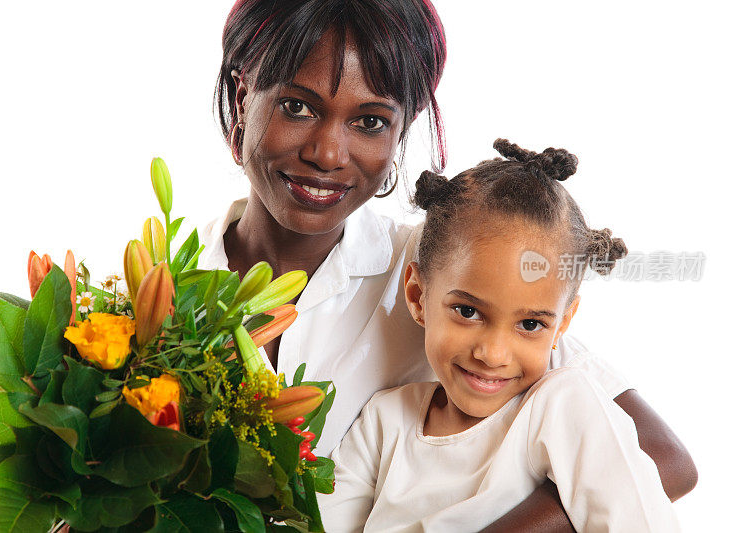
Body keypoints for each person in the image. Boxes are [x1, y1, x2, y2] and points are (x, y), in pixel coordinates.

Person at [200, 0, 696, 529]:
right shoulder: (161, 295)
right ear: (242, 97)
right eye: (297, 107)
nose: (328, 153)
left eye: (370, 121)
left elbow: (663, 460)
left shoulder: (443, 269)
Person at [318, 140, 680, 532]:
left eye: (530, 325)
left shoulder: (563, 407)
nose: (492, 354)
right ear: (418, 296)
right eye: (468, 312)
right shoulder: (383, 422)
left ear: (562, 325)